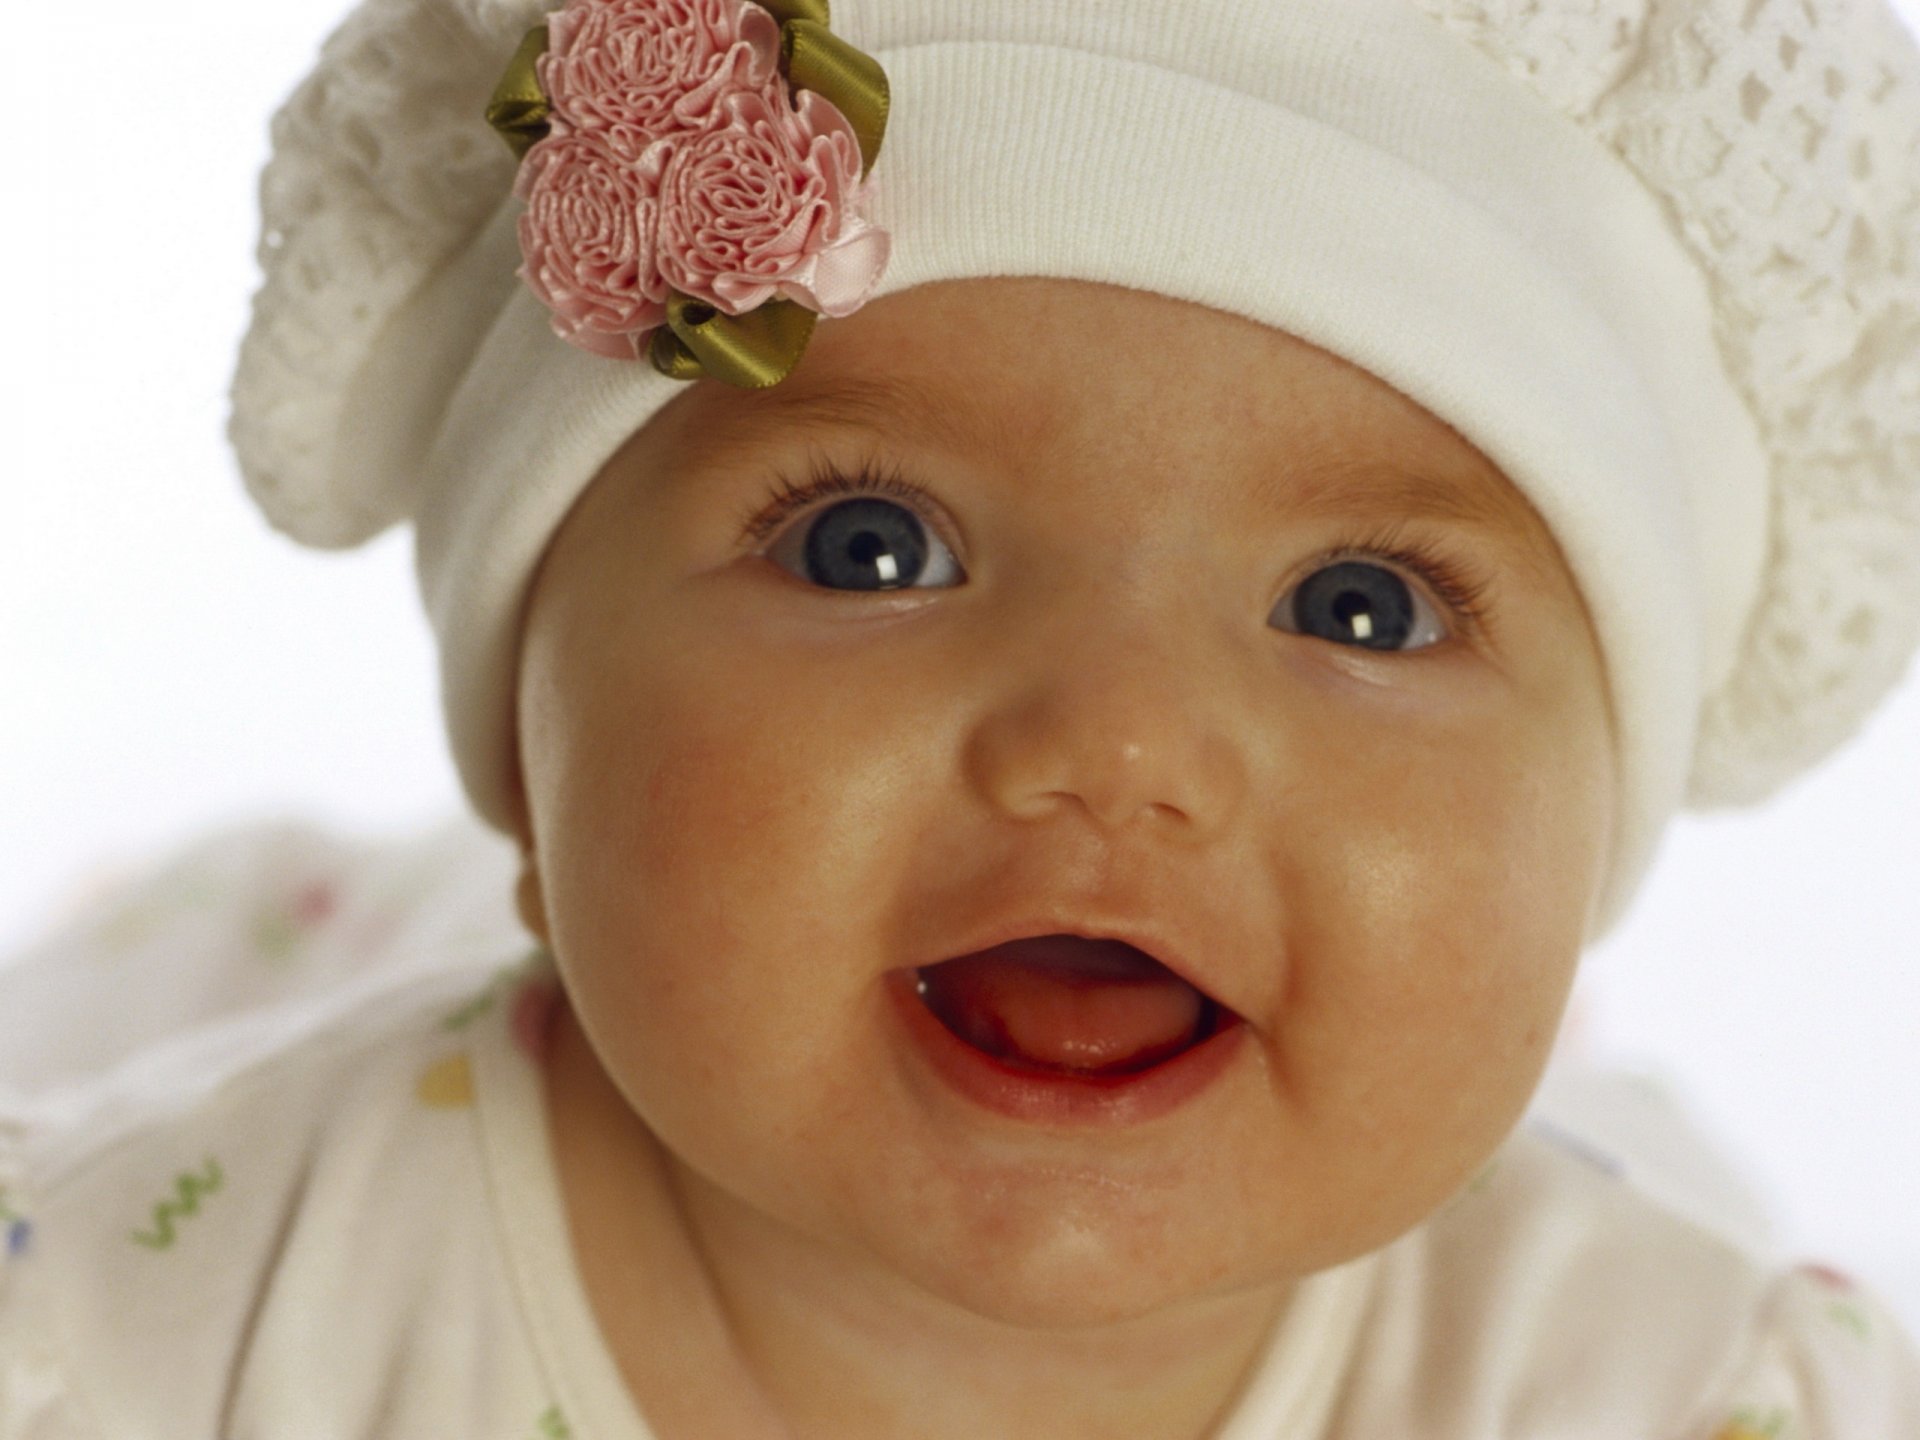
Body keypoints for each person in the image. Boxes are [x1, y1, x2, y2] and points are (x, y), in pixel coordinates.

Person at [3, 0, 1917, 1435]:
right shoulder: (151, 1330)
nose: (1121, 742)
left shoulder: (1660, 1395)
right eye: (866, 547)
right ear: (526, 747)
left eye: (1365, 607)